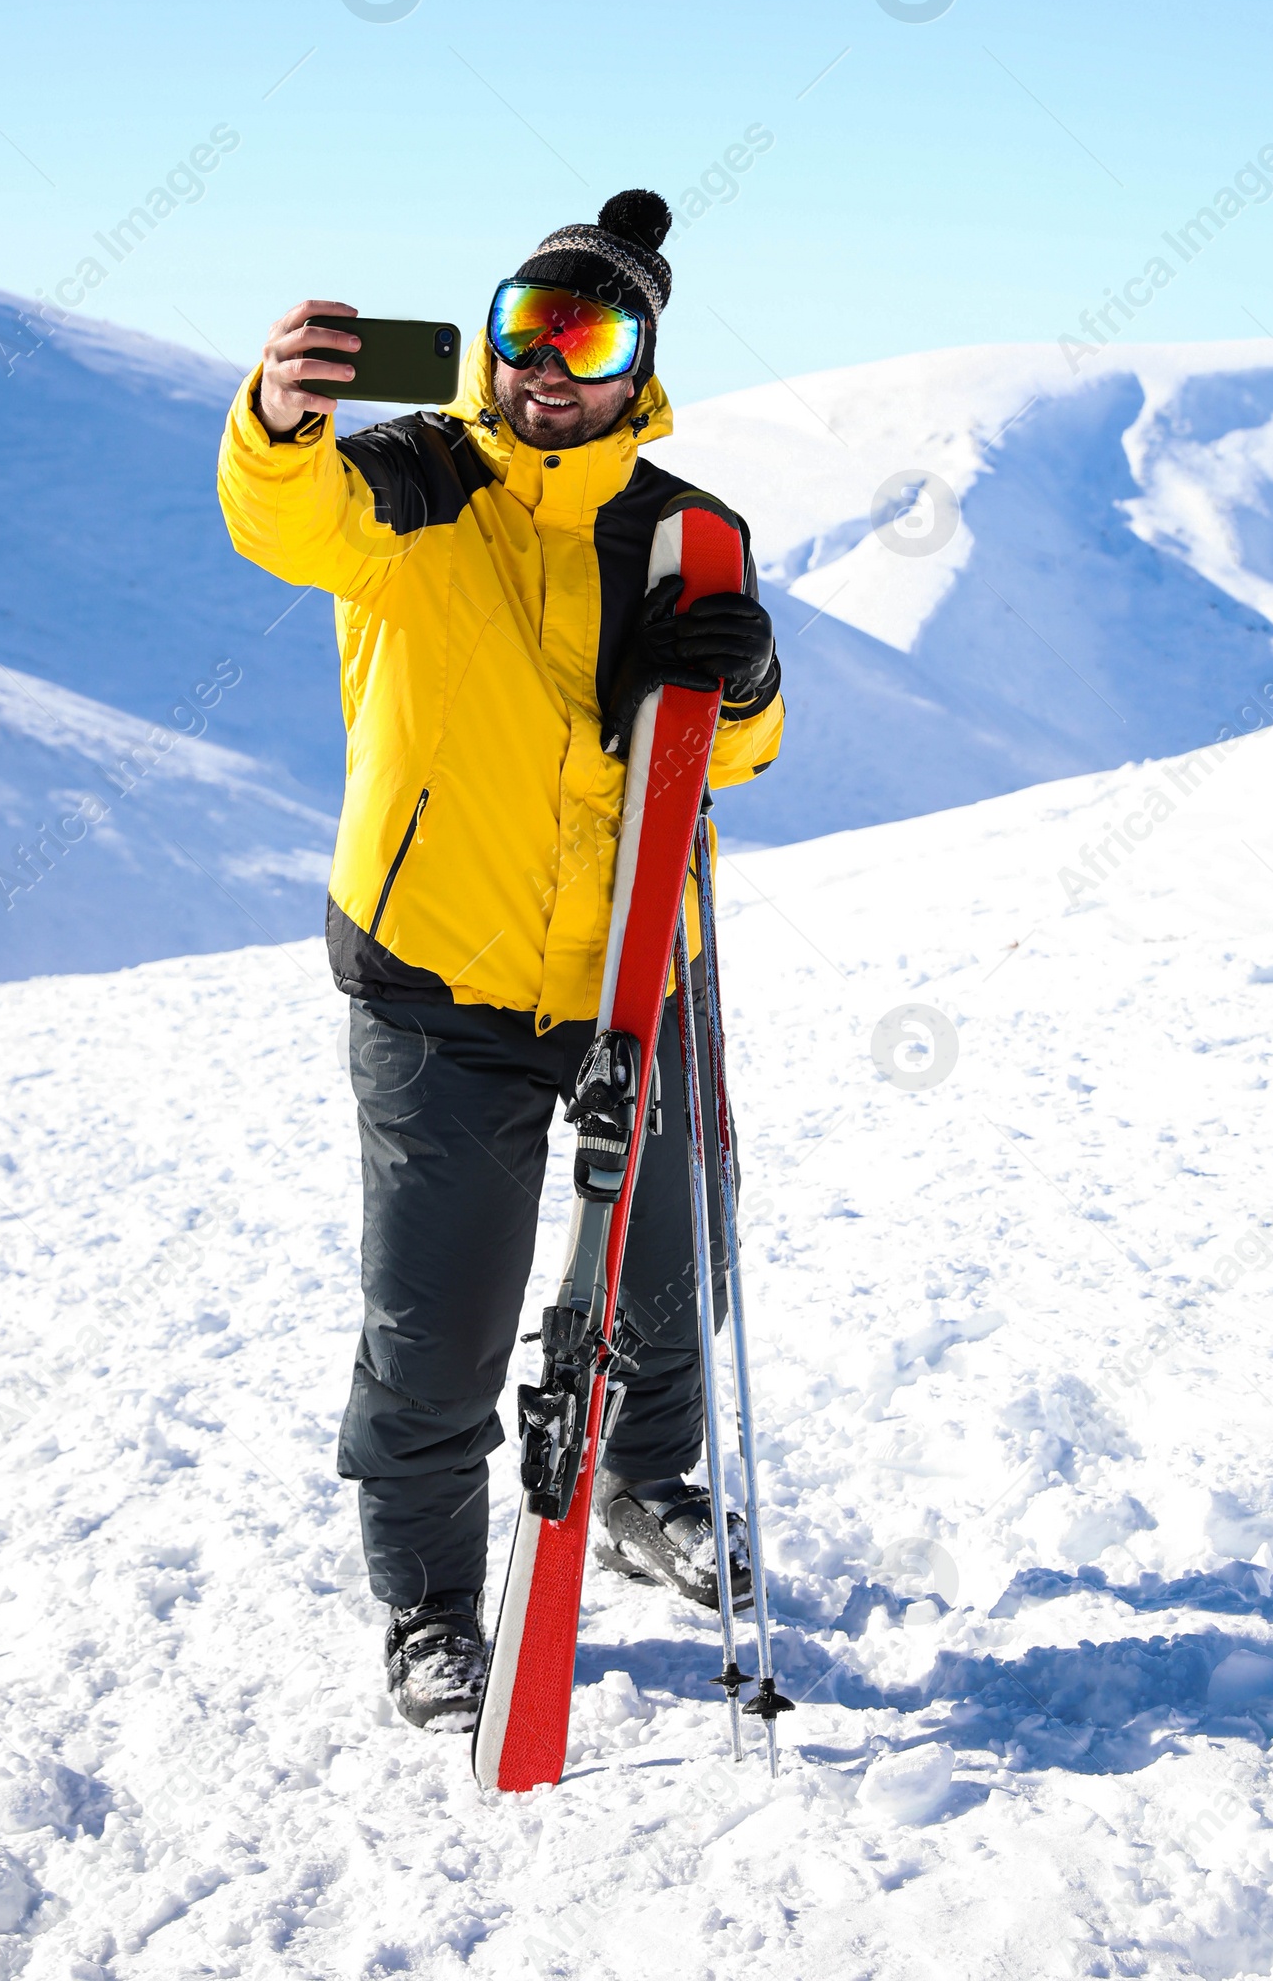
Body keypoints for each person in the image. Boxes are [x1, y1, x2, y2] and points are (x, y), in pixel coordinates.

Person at [217, 190, 783, 1730]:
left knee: (663, 1267)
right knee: (437, 1324)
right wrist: (278, 417)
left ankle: (647, 1484)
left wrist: (745, 680)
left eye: (588, 335)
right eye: (526, 326)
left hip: (632, 970)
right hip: (438, 981)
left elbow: (742, 750)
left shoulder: (690, 531)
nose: (549, 364)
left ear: (638, 361)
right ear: (492, 338)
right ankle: (431, 1607)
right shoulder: (406, 481)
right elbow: (282, 518)